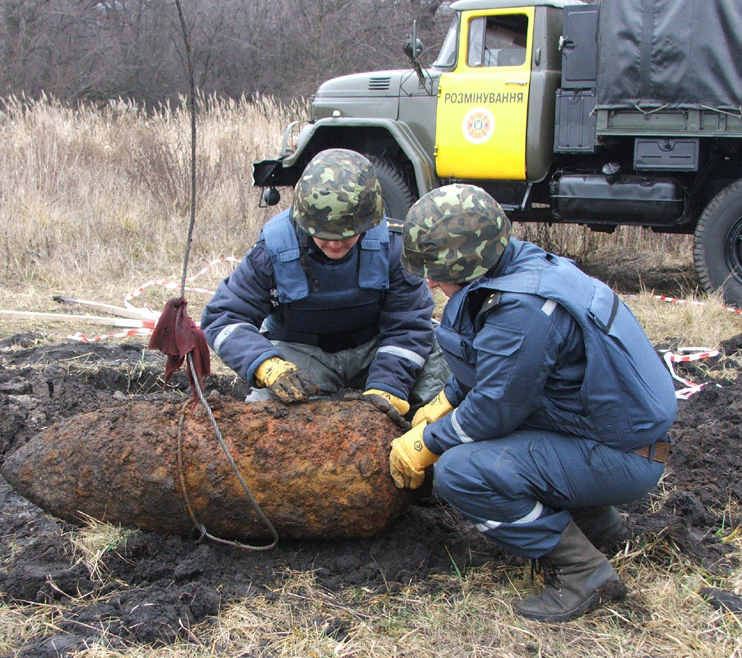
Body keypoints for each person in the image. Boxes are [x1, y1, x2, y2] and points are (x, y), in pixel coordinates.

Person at [389, 184, 678, 622]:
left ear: (470, 260)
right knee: (501, 446)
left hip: (624, 457)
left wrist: (427, 441)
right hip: (613, 439)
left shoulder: (523, 308)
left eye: (438, 269)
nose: (430, 280)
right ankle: (601, 528)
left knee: (461, 471)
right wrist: (445, 401)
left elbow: (494, 409)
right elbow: (512, 374)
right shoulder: (522, 265)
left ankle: (585, 573)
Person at [201, 148, 448, 417]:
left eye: (347, 234)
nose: (334, 243)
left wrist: (387, 388)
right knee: (266, 419)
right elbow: (224, 316)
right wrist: (268, 366)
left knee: (441, 358)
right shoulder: (273, 249)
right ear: (304, 221)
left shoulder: (392, 247)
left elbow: (409, 326)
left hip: (375, 353)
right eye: (323, 233)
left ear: (367, 222)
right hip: (301, 358)